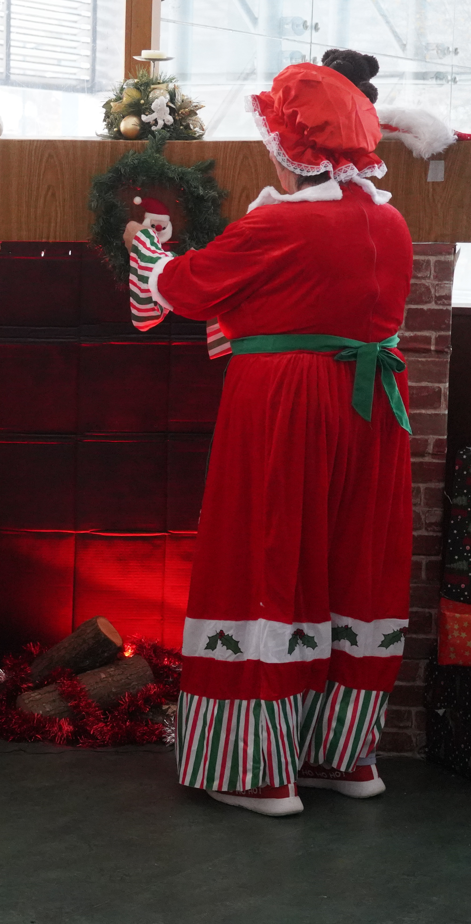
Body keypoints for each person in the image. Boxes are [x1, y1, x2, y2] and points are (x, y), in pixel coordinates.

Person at [125, 50, 413, 817]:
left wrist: (146, 249)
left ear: (291, 146)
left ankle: (256, 770)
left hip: (286, 404)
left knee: (265, 554)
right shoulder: (388, 221)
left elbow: (183, 286)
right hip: (372, 407)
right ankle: (341, 754)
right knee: (351, 560)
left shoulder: (279, 223)